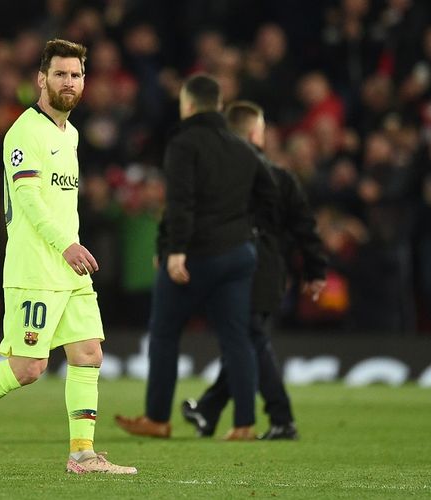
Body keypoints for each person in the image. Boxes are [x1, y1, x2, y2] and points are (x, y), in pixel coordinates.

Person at [0, 39, 136, 475]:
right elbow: (29, 201)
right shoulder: (25, 131)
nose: (69, 82)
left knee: (88, 353)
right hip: (37, 266)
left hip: (69, 267)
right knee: (27, 368)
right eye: (60, 74)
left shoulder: (71, 133)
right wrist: (67, 245)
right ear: (42, 79)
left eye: (76, 75)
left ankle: (81, 455)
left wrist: (69, 249)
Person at [114, 74, 278, 440]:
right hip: (237, 256)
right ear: (219, 106)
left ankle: (157, 419)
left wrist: (174, 250)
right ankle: (245, 423)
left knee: (164, 335)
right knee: (237, 339)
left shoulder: (184, 143)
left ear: (187, 105)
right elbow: (270, 197)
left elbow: (180, 203)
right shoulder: (242, 147)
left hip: (194, 257)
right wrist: (246, 230)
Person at [181, 101, 328, 440]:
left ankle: (282, 418)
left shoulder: (217, 178)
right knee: (245, 342)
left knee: (251, 342)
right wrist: (315, 270)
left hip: (235, 270)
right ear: (253, 133)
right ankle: (209, 409)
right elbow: (306, 227)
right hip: (269, 272)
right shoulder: (281, 177)